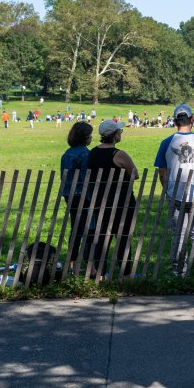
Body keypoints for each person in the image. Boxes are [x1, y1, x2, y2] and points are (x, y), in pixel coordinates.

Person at [154, 104, 194, 276]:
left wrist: (168, 190)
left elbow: (162, 172)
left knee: (179, 234)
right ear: (192, 119)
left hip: (175, 194)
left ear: (174, 121)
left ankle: (179, 270)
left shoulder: (166, 143)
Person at [85, 119, 139, 277]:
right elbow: (135, 174)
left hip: (100, 200)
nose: (121, 133)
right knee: (123, 237)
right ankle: (126, 272)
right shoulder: (119, 154)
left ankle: (101, 272)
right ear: (114, 135)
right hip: (122, 201)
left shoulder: (93, 153)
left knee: (102, 237)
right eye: (119, 131)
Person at [59, 121, 94, 266]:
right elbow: (88, 176)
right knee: (88, 228)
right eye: (90, 135)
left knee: (75, 228)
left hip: (69, 194)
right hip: (83, 195)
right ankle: (88, 260)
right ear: (84, 137)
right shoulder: (85, 153)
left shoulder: (67, 153)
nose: (92, 137)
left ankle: (72, 261)